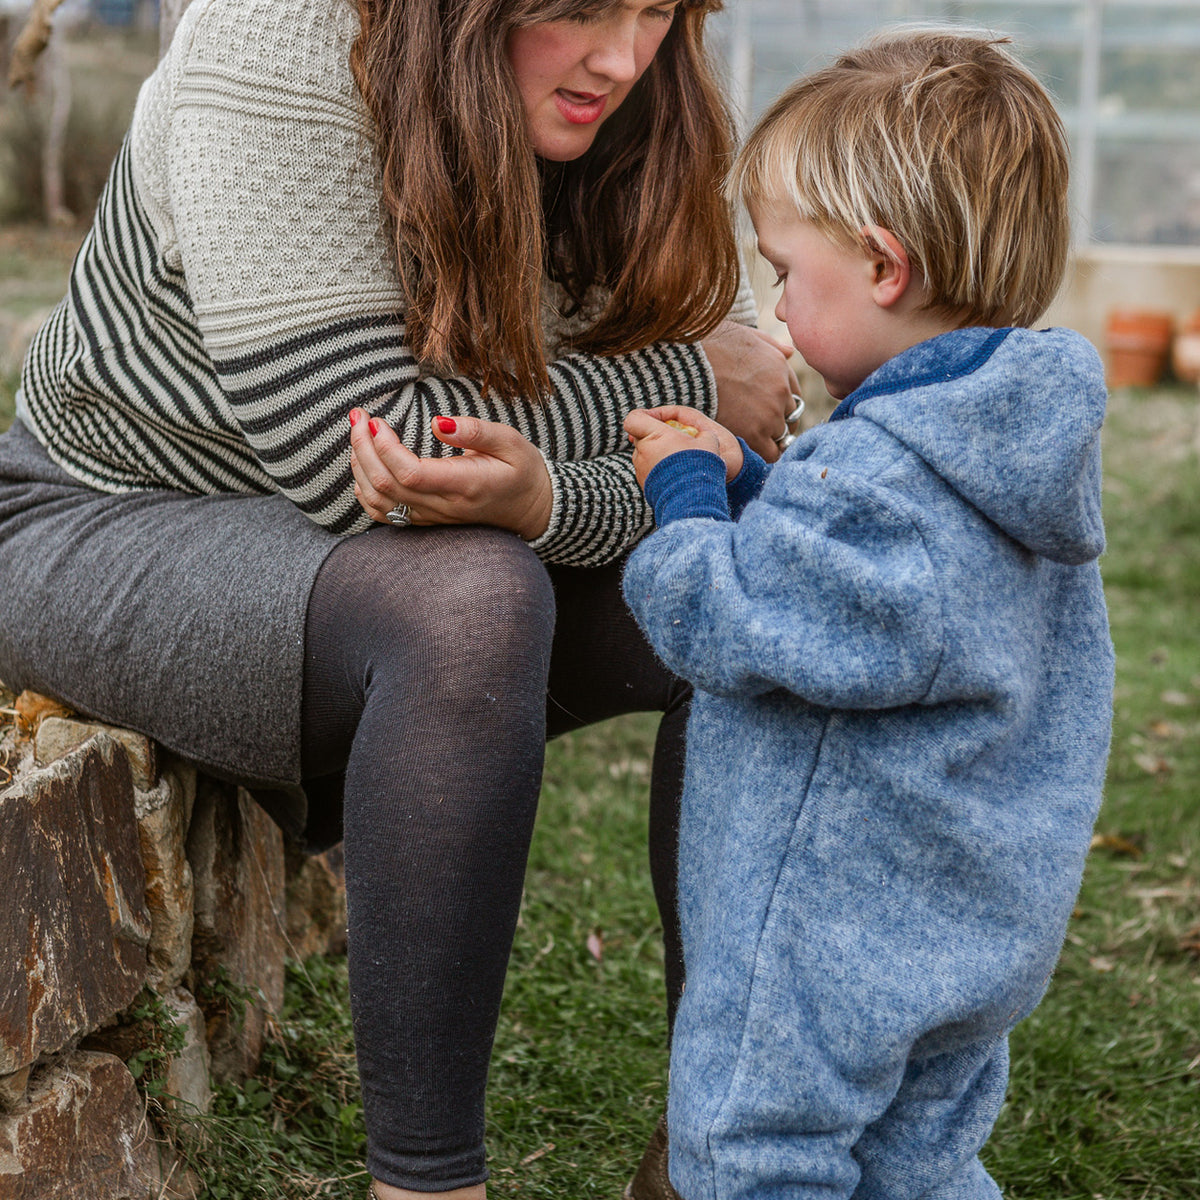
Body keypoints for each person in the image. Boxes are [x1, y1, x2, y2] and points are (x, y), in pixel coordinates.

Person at [0, 0, 804, 1196]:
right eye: (579, 10)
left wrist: (557, 502)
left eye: (656, 10)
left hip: (385, 534)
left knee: (753, 575)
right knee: (470, 600)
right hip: (113, 509)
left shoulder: (652, 90)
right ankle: (427, 1182)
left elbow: (744, 444)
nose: (621, 60)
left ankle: (721, 1152)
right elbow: (372, 453)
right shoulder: (273, 39)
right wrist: (678, 386)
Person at [620, 28, 1114, 1200]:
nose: (777, 303)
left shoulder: (879, 480)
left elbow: (729, 620)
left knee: (755, 1158)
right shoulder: (997, 451)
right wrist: (757, 481)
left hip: (825, 930)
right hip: (969, 928)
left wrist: (685, 492)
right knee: (921, 1161)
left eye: (788, 270)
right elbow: (877, 598)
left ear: (883, 267)